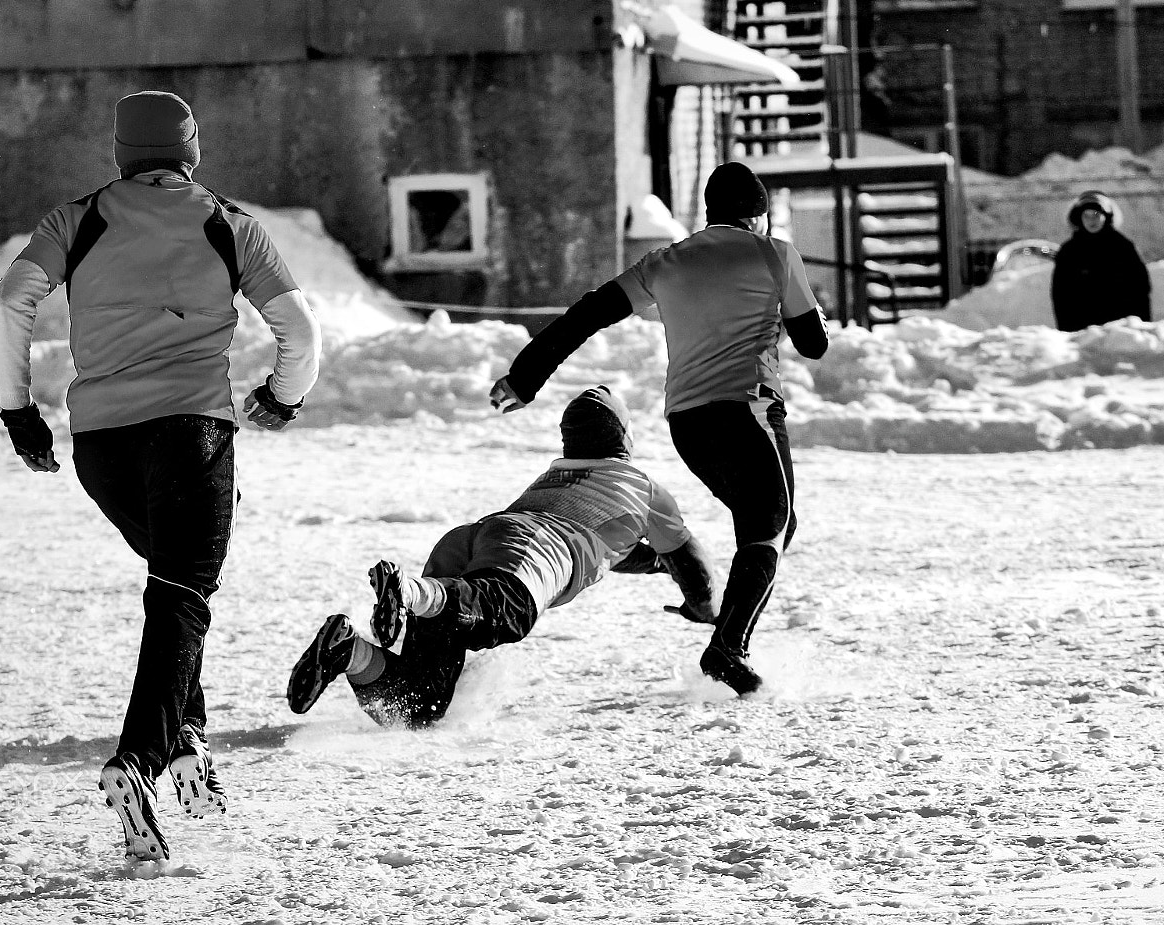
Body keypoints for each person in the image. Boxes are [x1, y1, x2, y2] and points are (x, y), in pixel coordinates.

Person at [0, 90, 321, 862]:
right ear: (191, 148)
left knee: (178, 585)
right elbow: (299, 330)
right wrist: (279, 399)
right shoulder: (228, 221)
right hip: (192, 433)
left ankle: (185, 743)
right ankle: (139, 758)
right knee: (184, 592)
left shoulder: (76, 218)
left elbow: (11, 299)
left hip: (101, 446)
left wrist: (19, 412)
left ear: (119, 151)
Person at [487, 162, 829, 696]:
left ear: (712, 215)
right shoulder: (775, 252)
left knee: (763, 524)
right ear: (759, 216)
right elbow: (813, 344)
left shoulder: (666, 262)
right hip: (749, 411)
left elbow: (587, 314)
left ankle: (720, 621)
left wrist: (525, 378)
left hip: (688, 424)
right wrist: (808, 314)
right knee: (771, 525)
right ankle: (727, 648)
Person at [286, 385, 717, 727]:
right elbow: (690, 561)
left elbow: (614, 550)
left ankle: (349, 649)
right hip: (527, 554)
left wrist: (657, 562)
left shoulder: (557, 474)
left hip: (476, 542)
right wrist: (704, 606)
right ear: (625, 435)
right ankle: (410, 592)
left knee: (419, 705)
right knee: (505, 611)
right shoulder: (643, 489)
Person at [1050, 190, 1152, 332]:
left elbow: (1140, 290)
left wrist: (1140, 327)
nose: (1092, 220)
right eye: (1087, 216)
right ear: (1079, 218)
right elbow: (1061, 296)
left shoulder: (1123, 247)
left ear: (1106, 216)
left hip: (1121, 333)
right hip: (1082, 333)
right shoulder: (1069, 252)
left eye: (1096, 215)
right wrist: (1068, 331)